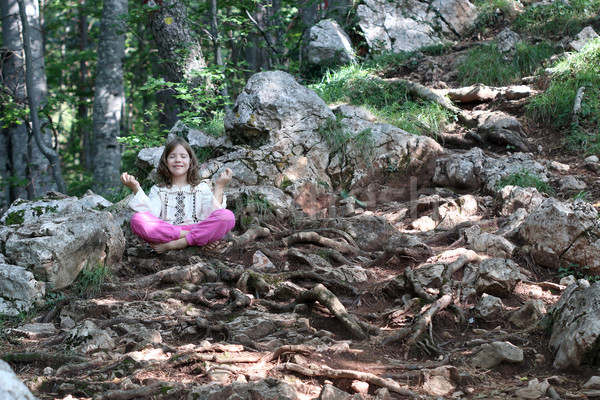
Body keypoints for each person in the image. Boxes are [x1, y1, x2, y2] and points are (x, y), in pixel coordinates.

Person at [120, 137, 235, 254]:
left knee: (227, 216)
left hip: (194, 227)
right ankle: (199, 238)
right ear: (165, 161)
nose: (178, 160)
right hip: (168, 231)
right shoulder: (158, 190)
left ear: (191, 161)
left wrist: (220, 186)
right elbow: (150, 214)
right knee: (137, 220)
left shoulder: (201, 187)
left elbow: (212, 214)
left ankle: (176, 244)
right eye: (172, 156)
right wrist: (136, 187)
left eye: (183, 156)